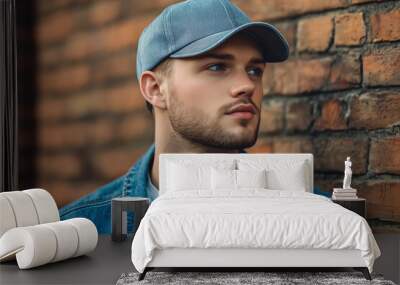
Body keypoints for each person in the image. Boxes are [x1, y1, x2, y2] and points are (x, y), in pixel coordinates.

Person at [59, 0, 289, 234]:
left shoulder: (313, 216)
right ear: (156, 89)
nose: (247, 85)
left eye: (254, 71)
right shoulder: (81, 230)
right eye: (217, 67)